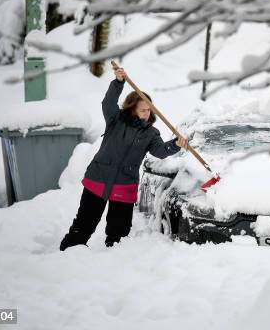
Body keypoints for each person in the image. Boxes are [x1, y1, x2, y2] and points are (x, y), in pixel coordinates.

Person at [60, 66, 188, 251]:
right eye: (143, 110)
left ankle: (114, 259)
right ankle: (68, 252)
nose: (147, 114)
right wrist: (118, 82)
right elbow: (108, 102)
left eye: (149, 111)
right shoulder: (115, 120)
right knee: (85, 221)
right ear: (132, 108)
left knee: (119, 229)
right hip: (99, 177)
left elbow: (160, 150)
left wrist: (176, 144)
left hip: (124, 183)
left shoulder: (151, 133)